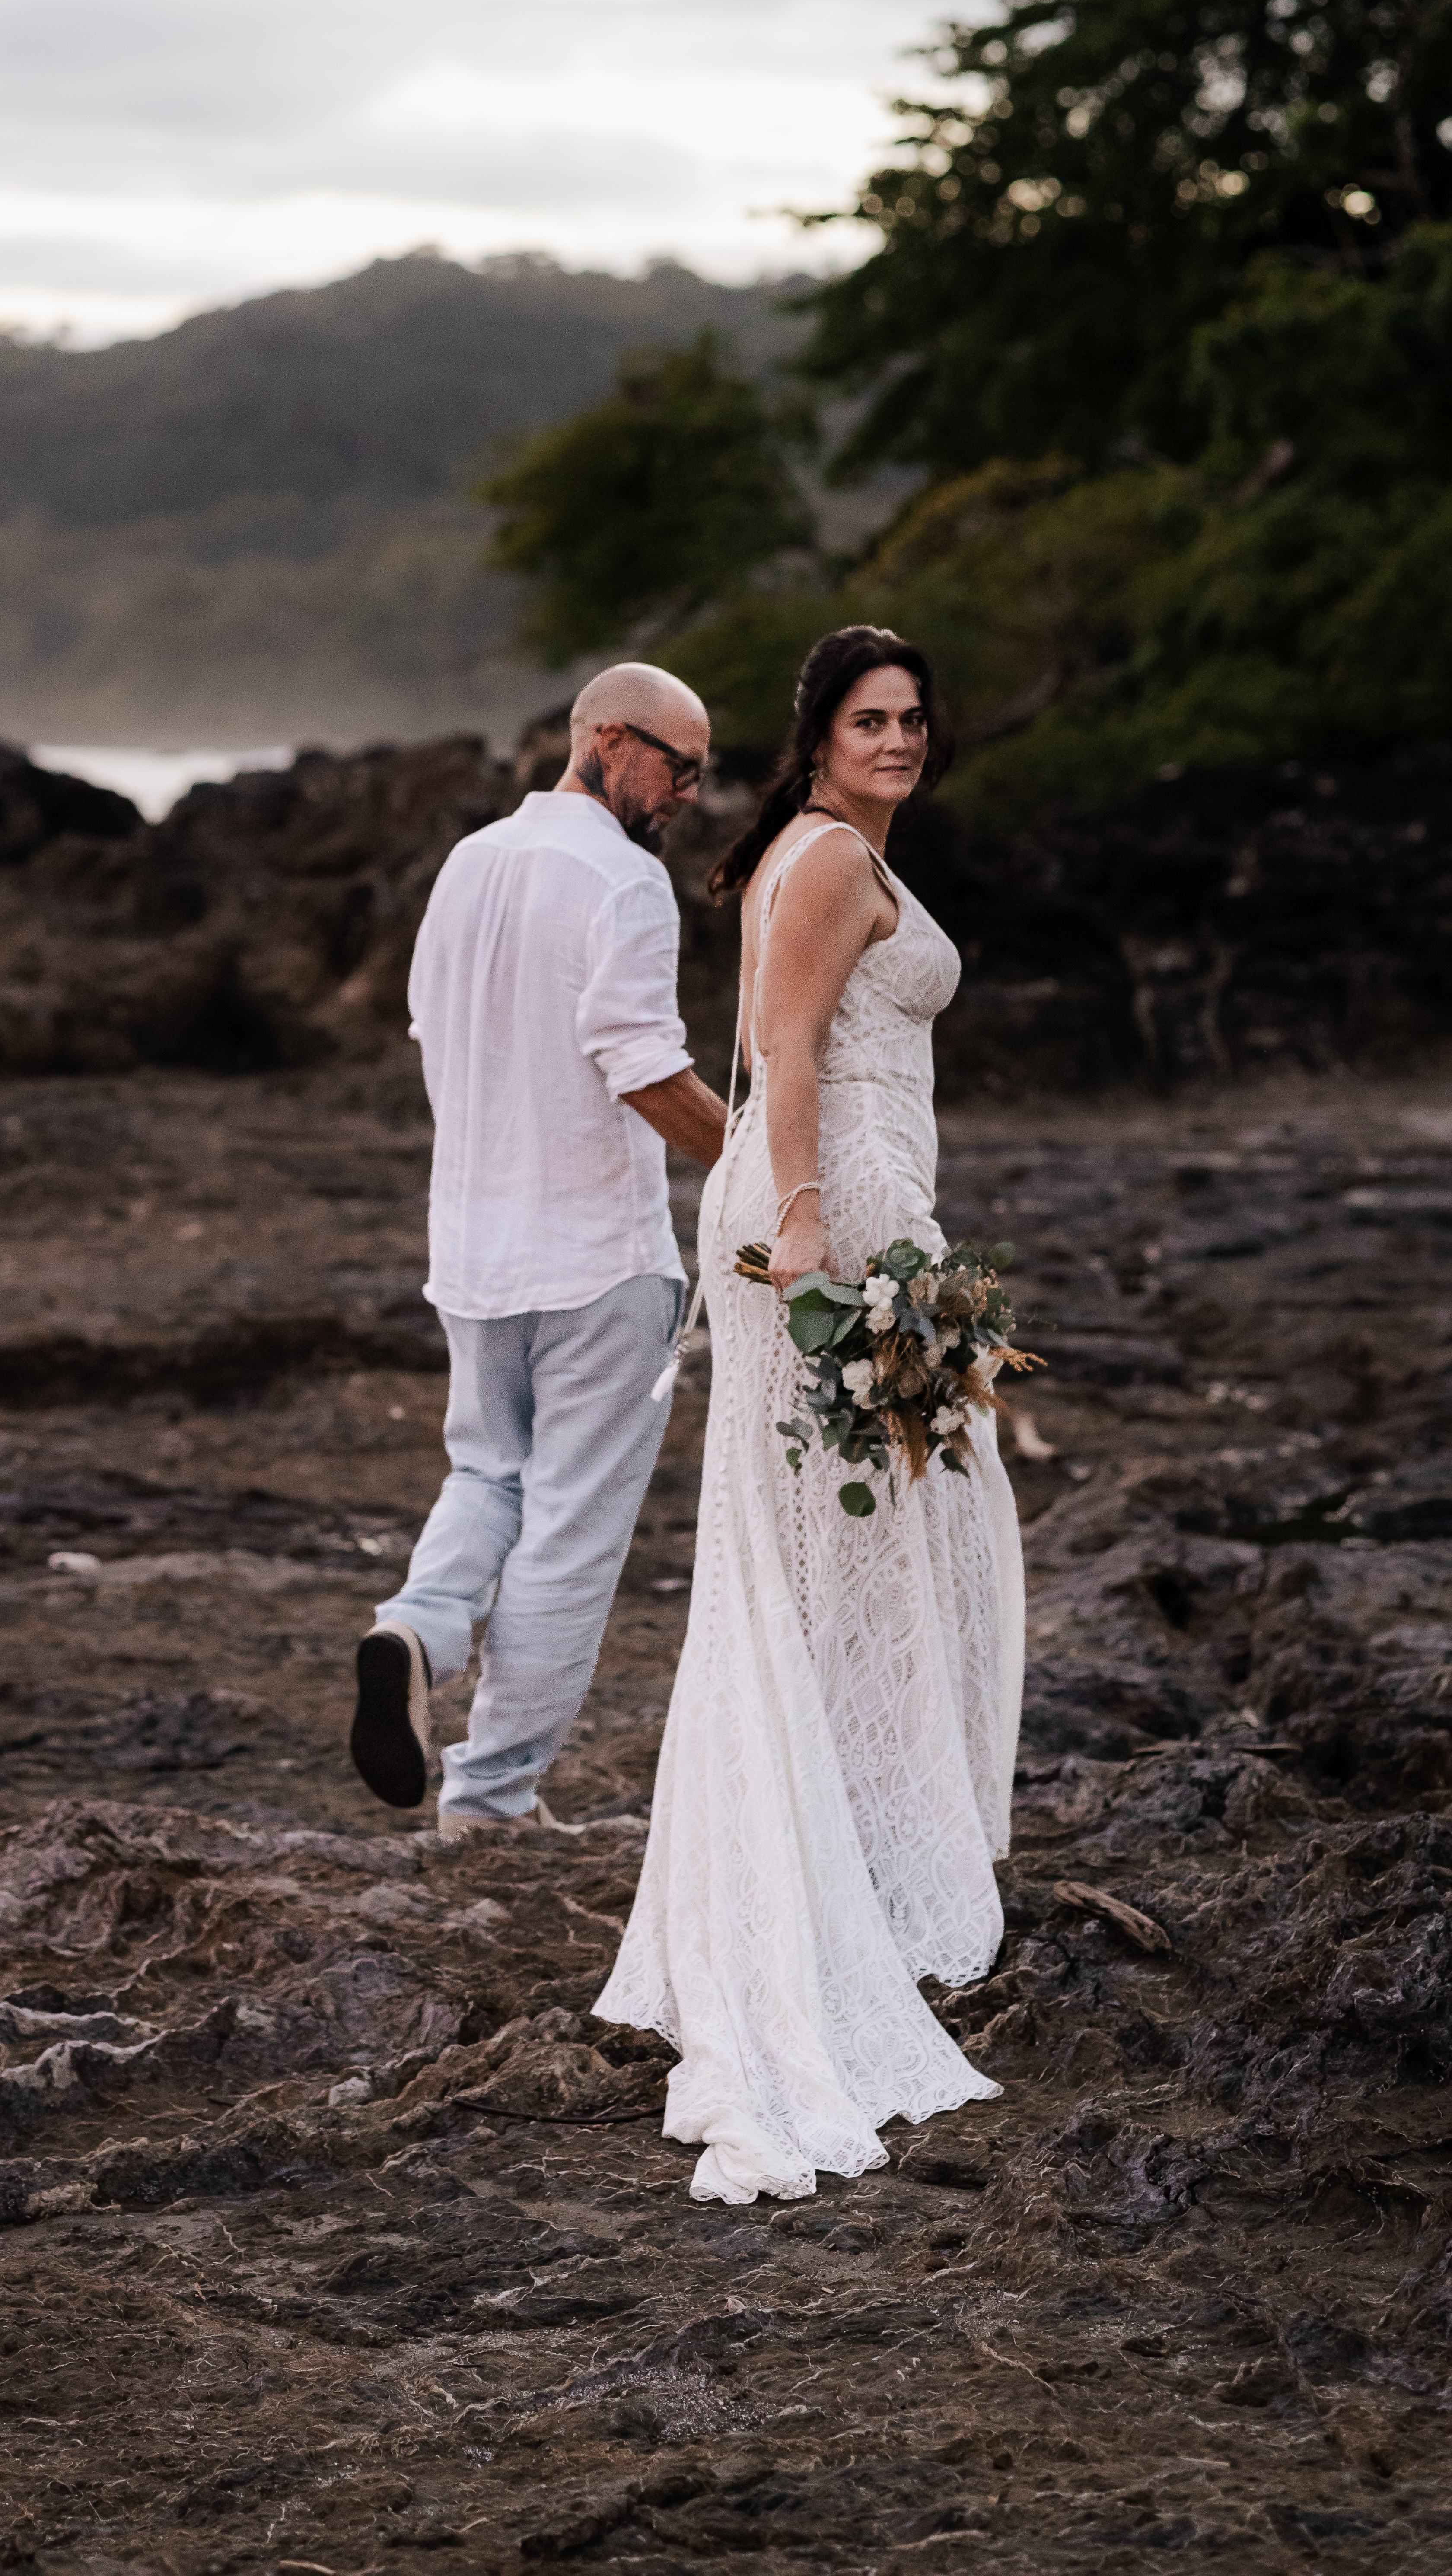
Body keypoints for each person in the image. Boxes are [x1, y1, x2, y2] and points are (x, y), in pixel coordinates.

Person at [596, 626, 1026, 2203]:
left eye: (916, 718)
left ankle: (868, 1858)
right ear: (822, 735)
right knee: (857, 1546)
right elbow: (782, 1049)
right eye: (872, 719)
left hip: (863, 1203)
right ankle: (859, 1889)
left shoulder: (827, 849)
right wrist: (804, 1218)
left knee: (885, 1541)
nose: (901, 739)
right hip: (822, 1220)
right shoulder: (831, 860)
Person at [350, 665, 728, 1832]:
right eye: (678, 766)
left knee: (488, 1472)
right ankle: (493, 1797)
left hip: (473, 1245)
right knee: (570, 1523)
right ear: (608, 739)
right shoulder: (625, 882)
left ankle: (416, 1628)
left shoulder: (469, 863)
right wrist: (760, 1170)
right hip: (598, 1255)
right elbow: (642, 1064)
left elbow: (431, 1029)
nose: (688, 796)